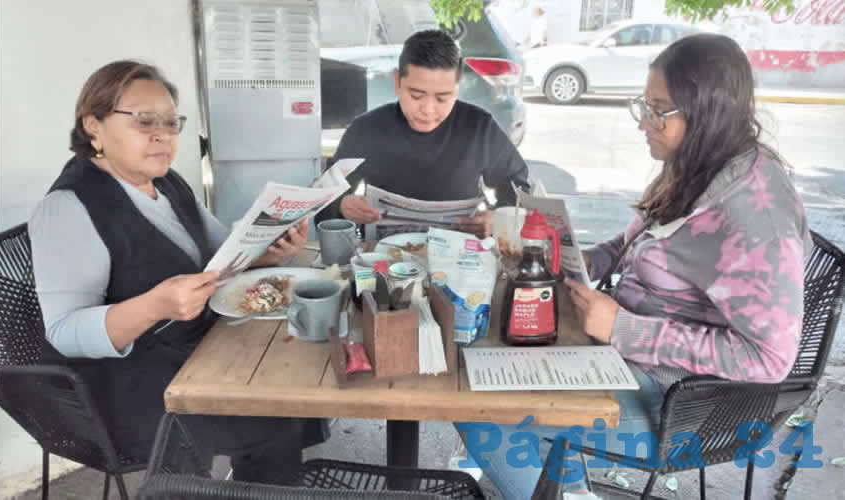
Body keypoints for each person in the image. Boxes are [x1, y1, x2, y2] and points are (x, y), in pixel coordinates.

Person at [458, 34, 811, 500]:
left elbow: (769, 358)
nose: (644, 123)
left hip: (681, 406)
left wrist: (624, 329)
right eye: (643, 106)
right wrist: (588, 259)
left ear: (707, 113)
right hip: (626, 360)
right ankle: (568, 490)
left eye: (658, 110)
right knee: (490, 353)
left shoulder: (756, 216)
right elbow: (641, 240)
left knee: (477, 405)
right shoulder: (697, 162)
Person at [28, 60, 328, 484]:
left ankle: (255, 485)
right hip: (124, 385)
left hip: (190, 348)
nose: (162, 135)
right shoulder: (69, 208)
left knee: (294, 378)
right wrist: (155, 305)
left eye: (171, 123)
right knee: (270, 414)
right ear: (93, 126)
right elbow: (64, 331)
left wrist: (269, 251)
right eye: (143, 121)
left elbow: (219, 253)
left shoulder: (166, 183)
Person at [315, 30, 530, 239]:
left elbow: (518, 188)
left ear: (457, 88)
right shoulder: (366, 130)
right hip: (382, 260)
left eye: (442, 98)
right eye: (416, 95)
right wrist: (342, 205)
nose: (428, 110)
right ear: (397, 82)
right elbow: (321, 200)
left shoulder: (479, 128)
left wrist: (498, 219)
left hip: (461, 260)